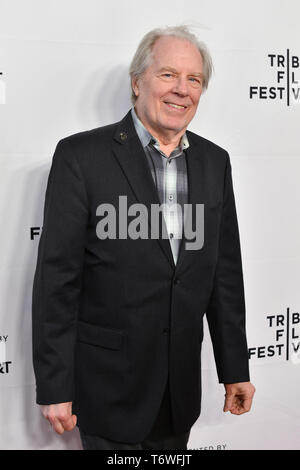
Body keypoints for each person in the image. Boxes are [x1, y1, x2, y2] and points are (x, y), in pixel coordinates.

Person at [32, 25, 255, 451]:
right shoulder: (81, 157)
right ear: (138, 82)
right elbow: (56, 282)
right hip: (108, 391)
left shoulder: (214, 162)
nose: (182, 90)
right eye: (168, 74)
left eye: (194, 80)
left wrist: (235, 367)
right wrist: (55, 384)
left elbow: (224, 276)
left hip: (179, 394)